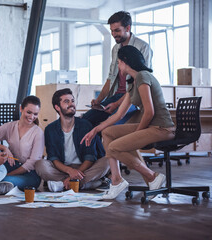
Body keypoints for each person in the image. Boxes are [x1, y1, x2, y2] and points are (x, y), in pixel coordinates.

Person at [81, 45, 175, 200]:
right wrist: (95, 130)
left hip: (162, 128)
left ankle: (152, 176)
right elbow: (118, 115)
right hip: (152, 127)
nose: (118, 66)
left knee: (114, 147)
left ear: (125, 61)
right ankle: (116, 180)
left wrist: (137, 133)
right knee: (107, 132)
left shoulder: (143, 77)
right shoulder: (133, 83)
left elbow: (150, 111)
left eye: (118, 63)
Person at [82, 11, 153, 128]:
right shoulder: (115, 49)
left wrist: (116, 104)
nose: (113, 34)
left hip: (132, 99)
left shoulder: (143, 47)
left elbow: (140, 83)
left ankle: (107, 145)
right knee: (84, 121)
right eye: (112, 31)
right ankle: (99, 146)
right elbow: (111, 78)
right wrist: (98, 101)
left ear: (128, 28)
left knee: (108, 126)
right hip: (115, 96)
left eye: (117, 30)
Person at [35, 88, 110, 192]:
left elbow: (90, 157)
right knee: (40, 165)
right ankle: (84, 185)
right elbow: (54, 158)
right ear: (57, 107)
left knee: (108, 161)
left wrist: (74, 175)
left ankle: (63, 184)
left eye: (72, 101)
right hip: (62, 169)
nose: (71, 104)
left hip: (84, 168)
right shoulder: (50, 129)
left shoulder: (86, 126)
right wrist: (69, 171)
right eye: (66, 101)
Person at [0, 96, 44, 190]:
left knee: (5, 180)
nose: (31, 117)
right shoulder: (10, 126)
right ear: (21, 108)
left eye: (35, 114)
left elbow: (32, 163)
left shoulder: (38, 132)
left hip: (29, 174)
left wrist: (5, 174)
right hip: (11, 165)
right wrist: (4, 148)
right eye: (29, 112)